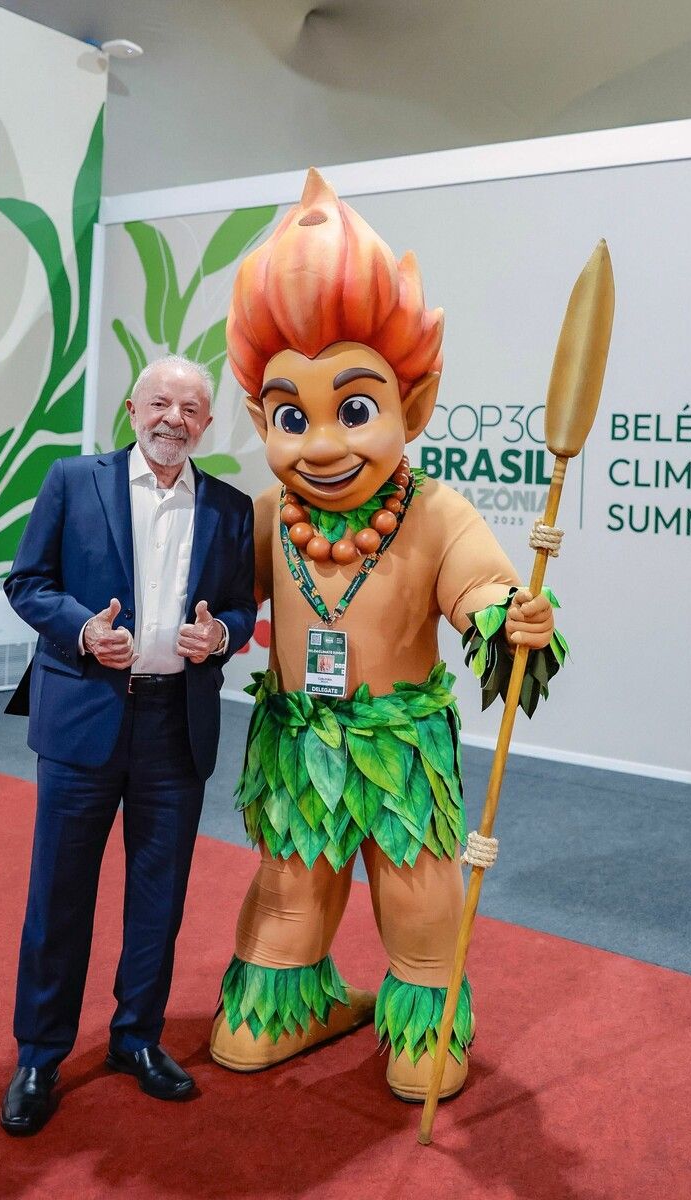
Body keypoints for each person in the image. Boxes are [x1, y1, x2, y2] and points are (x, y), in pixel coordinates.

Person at [209, 171, 563, 1102]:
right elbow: (209, 598)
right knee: (290, 887)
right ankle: (275, 1012)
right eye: (292, 417)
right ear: (260, 418)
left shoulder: (435, 510)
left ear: (417, 399)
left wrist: (505, 616)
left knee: (415, 893)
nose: (320, 442)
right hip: (295, 746)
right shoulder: (266, 514)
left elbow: (481, 588)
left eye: (353, 408)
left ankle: (421, 1026)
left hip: (396, 750)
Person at [0, 355, 256, 1135]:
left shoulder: (232, 508)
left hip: (175, 724)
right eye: (160, 402)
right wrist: (82, 630)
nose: (173, 417)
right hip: (84, 719)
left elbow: (243, 610)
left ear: (206, 425)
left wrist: (220, 635)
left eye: (190, 408)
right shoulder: (72, 481)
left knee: (158, 899)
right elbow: (26, 582)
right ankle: (39, 1055)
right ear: (132, 408)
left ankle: (135, 1040)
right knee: (60, 896)